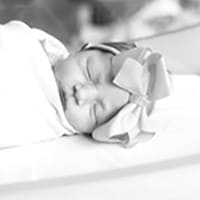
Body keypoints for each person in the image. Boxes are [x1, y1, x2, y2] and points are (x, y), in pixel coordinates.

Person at [1, 20, 200, 149]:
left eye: (95, 111)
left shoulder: (42, 122)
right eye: (89, 72)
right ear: (83, 49)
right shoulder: (36, 46)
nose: (82, 94)